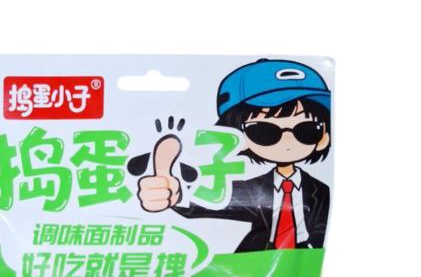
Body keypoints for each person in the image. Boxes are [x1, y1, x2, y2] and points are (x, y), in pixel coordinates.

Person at [138, 59, 332, 251]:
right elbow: (216, 200)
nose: (288, 141)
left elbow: (321, 230)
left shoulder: (321, 190)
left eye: (306, 130)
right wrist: (174, 194)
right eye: (264, 131)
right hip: (251, 262)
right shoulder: (255, 189)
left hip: (305, 262)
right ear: (238, 136)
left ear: (324, 136)